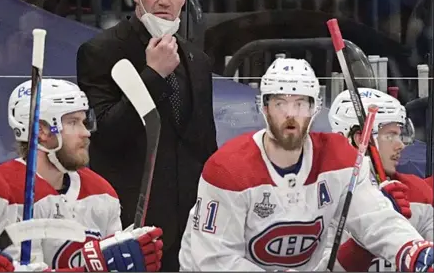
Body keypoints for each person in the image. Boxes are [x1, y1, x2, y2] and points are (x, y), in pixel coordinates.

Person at [178, 58, 434, 272]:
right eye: (280, 104)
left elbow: (376, 220)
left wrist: (412, 250)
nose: (291, 114)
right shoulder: (228, 169)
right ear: (264, 108)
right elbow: (214, 261)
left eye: (300, 104)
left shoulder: (340, 160)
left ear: (314, 109)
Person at [76, 0, 217, 271]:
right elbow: (107, 136)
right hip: (129, 229)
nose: (164, 1)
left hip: (190, 233)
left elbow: (203, 145)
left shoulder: (198, 60)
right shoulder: (101, 51)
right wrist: (153, 75)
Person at [0, 78, 163, 272]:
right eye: (73, 122)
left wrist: (126, 257)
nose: (86, 132)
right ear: (41, 130)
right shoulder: (4, 194)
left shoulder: (101, 193)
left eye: (84, 122)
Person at [326, 88, 434, 271]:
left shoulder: (416, 192)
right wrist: (375, 225)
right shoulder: (323, 196)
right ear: (359, 139)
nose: (400, 145)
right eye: (390, 136)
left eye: (399, 135)